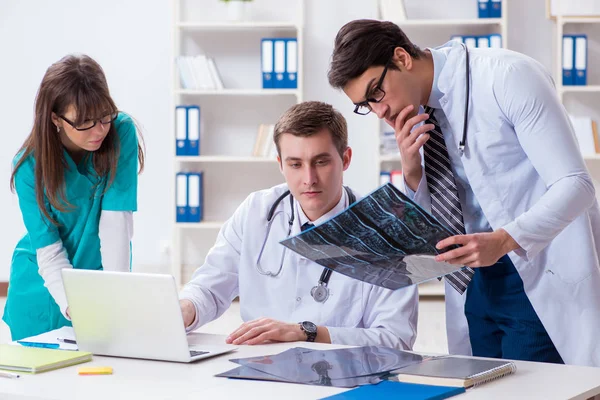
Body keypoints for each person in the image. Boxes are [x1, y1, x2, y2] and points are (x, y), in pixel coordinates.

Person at [328, 19, 600, 366]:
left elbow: (576, 184)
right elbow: (428, 226)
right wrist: (411, 169)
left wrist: (503, 240)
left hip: (535, 269)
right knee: (482, 387)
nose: (379, 112)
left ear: (401, 57)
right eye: (366, 105)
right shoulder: (414, 115)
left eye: (376, 93)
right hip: (471, 281)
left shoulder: (508, 76)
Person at [179, 101, 418, 348]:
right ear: (280, 164)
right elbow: (209, 288)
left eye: (321, 162)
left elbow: (396, 339)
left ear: (345, 159)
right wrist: (185, 308)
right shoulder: (256, 212)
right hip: (261, 364)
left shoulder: (387, 233)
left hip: (345, 372)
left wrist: (307, 333)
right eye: (295, 164)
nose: (309, 179)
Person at [3, 54, 145, 341]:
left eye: (105, 116)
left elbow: (117, 222)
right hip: (43, 285)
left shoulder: (121, 132)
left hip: (99, 272)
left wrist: (118, 295)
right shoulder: (29, 166)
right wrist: (77, 308)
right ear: (56, 118)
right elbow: (49, 250)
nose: (99, 130)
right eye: (84, 122)